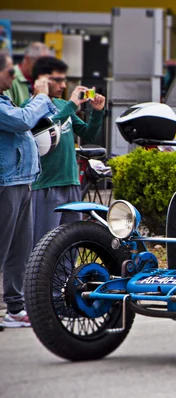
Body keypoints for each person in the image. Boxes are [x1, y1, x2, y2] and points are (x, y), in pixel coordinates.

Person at [0, 50, 58, 328]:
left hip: (22, 181)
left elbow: (32, 119)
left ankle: (14, 308)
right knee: (2, 248)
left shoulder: (6, 100)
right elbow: (22, 120)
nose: (14, 76)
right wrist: (41, 97)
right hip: (6, 183)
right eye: (10, 72)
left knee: (19, 250)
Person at [26, 56, 106, 248]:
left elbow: (88, 134)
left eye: (64, 80)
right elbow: (43, 129)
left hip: (71, 182)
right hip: (46, 185)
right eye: (58, 80)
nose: (63, 85)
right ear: (40, 80)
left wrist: (97, 112)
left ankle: (67, 279)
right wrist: (71, 105)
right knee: (45, 246)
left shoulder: (63, 105)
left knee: (71, 243)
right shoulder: (30, 108)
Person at [3, 42, 50, 106]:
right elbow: (9, 111)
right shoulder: (9, 77)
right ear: (27, 59)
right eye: (40, 63)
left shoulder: (41, 78)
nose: (43, 67)